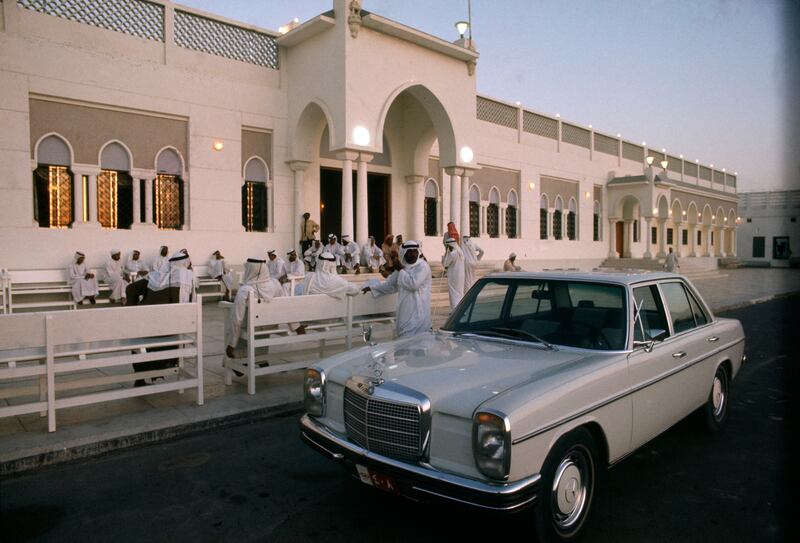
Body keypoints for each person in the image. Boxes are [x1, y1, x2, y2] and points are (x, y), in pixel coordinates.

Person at [363, 240, 432, 337]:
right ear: (404, 253)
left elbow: (414, 285)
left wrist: (400, 269)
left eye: (414, 251)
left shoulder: (422, 266)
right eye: (410, 252)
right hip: (404, 312)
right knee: (403, 342)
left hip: (420, 314)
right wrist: (372, 288)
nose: (413, 254)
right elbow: (390, 285)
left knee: (419, 343)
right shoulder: (402, 267)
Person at [225, 257, 285, 359]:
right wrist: (296, 327)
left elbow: (237, 318)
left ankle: (239, 358)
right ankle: (260, 358)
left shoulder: (245, 290)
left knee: (236, 321)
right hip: (270, 324)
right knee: (257, 320)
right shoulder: (276, 284)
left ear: (250, 270)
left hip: (253, 326)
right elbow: (285, 306)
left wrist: (232, 343)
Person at [442, 237, 465, 310]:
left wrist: (445, 253)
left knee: (454, 293)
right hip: (460, 275)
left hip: (454, 276)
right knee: (460, 292)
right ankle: (460, 309)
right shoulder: (460, 251)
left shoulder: (452, 254)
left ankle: (455, 310)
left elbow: (445, 264)